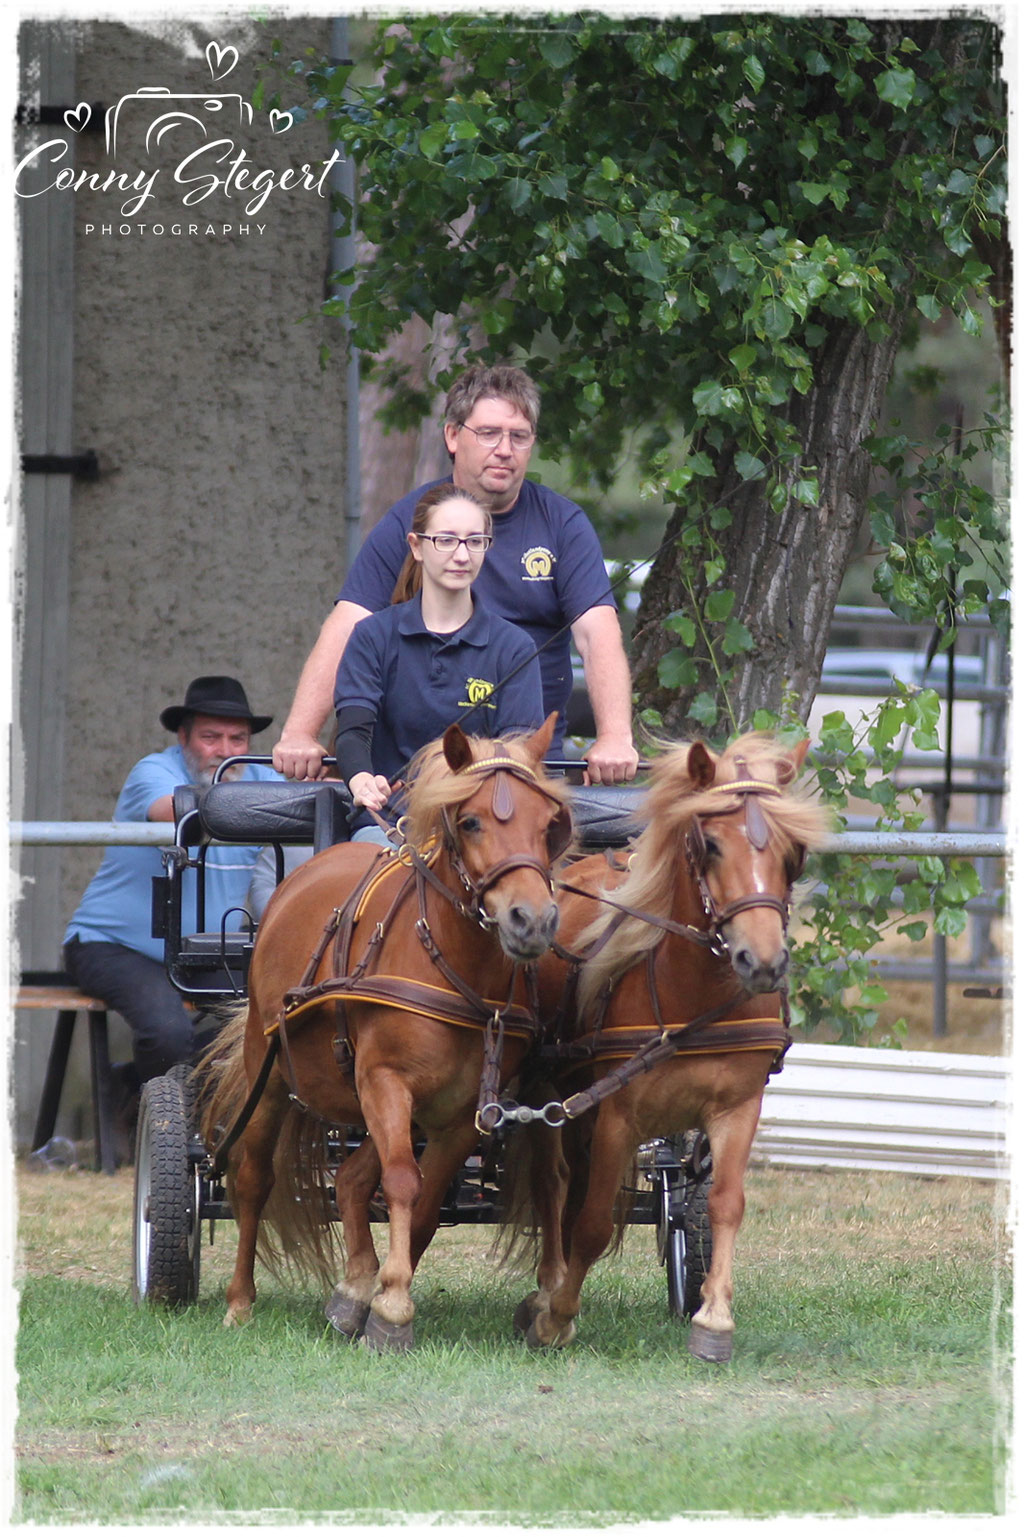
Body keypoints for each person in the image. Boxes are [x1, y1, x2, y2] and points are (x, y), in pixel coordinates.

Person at [273, 364, 639, 786]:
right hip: (404, 777)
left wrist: (614, 737)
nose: (505, 449)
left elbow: (598, 635)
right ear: (452, 436)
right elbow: (348, 625)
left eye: (519, 436)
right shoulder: (409, 520)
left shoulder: (562, 525)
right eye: (488, 433)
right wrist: (299, 733)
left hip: (523, 771)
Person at [63, 677, 281, 1092]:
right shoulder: (154, 769)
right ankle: (163, 1135)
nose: (226, 751)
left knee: (282, 1021)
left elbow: (308, 807)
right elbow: (172, 812)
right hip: (113, 946)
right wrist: (270, 803)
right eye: (211, 737)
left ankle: (128, 1088)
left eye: (238, 739)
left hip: (205, 951)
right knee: (167, 1034)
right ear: (183, 737)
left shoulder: (259, 777)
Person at [334, 482, 545, 844]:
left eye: (474, 541)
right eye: (446, 540)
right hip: (389, 828)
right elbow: (353, 732)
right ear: (416, 546)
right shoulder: (372, 636)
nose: (461, 555)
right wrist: (361, 780)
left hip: (482, 832)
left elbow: (519, 758)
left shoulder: (514, 647)